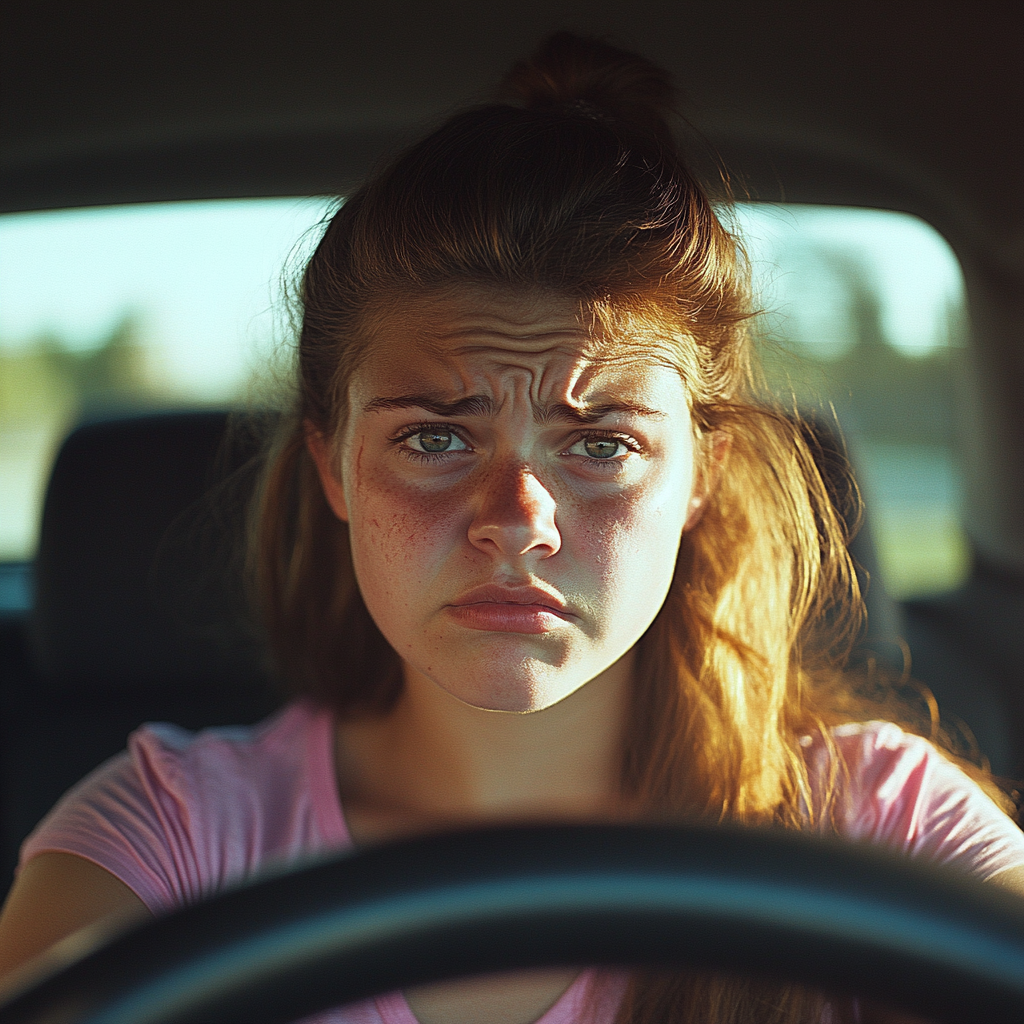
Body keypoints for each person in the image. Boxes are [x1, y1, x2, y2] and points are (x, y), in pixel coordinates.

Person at [0, 32, 1022, 1024]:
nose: (517, 523)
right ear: (334, 466)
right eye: (438, 439)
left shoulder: (884, 830)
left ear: (700, 476)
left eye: (602, 444)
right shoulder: (163, 842)